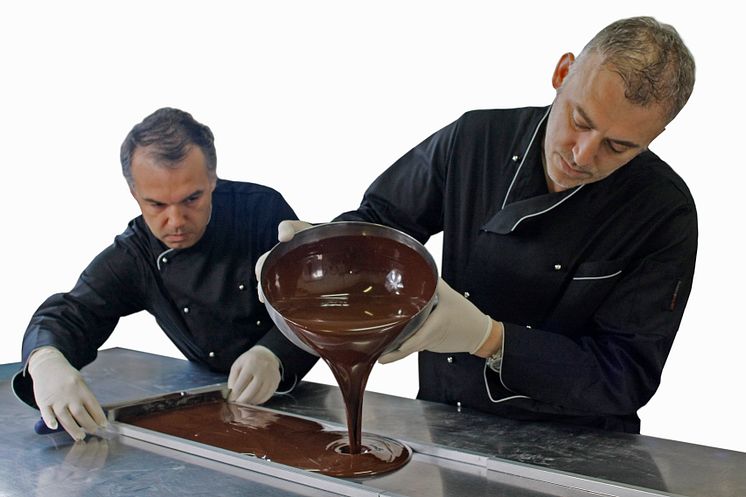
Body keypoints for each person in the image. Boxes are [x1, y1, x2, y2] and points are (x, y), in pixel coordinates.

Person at [269, 16, 697, 433]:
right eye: (579, 120)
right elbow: (382, 224)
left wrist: (489, 338)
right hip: (444, 418)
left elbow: (625, 375)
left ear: (656, 135)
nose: (582, 155)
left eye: (618, 147)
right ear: (562, 73)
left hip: (574, 441)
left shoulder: (663, 212)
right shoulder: (475, 139)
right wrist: (305, 269)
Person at [14, 108, 318, 440]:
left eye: (192, 199)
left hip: (293, 401)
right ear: (134, 194)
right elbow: (72, 313)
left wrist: (274, 353)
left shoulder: (262, 211)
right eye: (157, 204)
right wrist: (46, 360)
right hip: (207, 404)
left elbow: (315, 298)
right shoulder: (136, 255)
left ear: (212, 179)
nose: (175, 221)